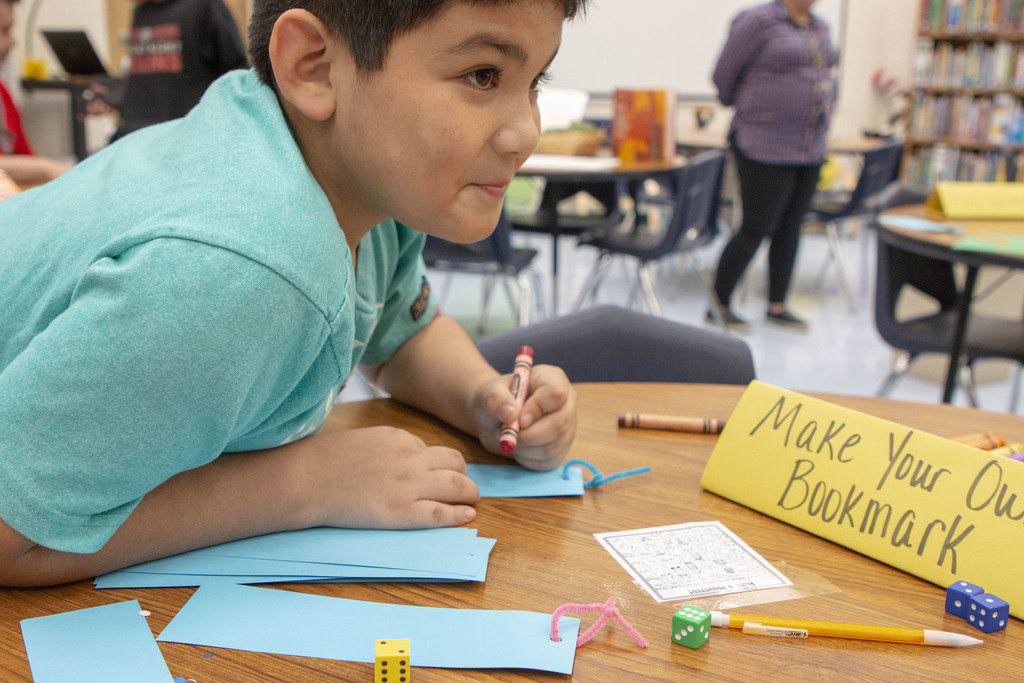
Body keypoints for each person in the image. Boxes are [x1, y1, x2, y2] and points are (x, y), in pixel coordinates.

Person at [0, 0, 585, 587]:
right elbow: (9, 536)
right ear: (314, 67)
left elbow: (399, 334)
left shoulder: (361, 179)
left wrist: (482, 397)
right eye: (482, 76)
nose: (526, 133)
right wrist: (307, 484)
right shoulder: (237, 271)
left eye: (535, 80)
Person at [708, 0, 838, 332]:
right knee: (756, 227)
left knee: (791, 226)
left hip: (809, 145)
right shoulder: (759, 21)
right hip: (763, 144)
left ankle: (777, 305)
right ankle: (718, 304)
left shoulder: (819, 27)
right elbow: (723, 77)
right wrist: (756, 107)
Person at [110, 0, 249, 140]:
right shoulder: (141, 11)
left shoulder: (204, 6)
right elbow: (146, 78)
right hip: (141, 135)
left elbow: (237, 71)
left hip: (190, 135)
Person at [0, 0, 73, 185]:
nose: (13, 41)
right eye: (4, 30)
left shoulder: (3, 95)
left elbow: (25, 158)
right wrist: (47, 169)